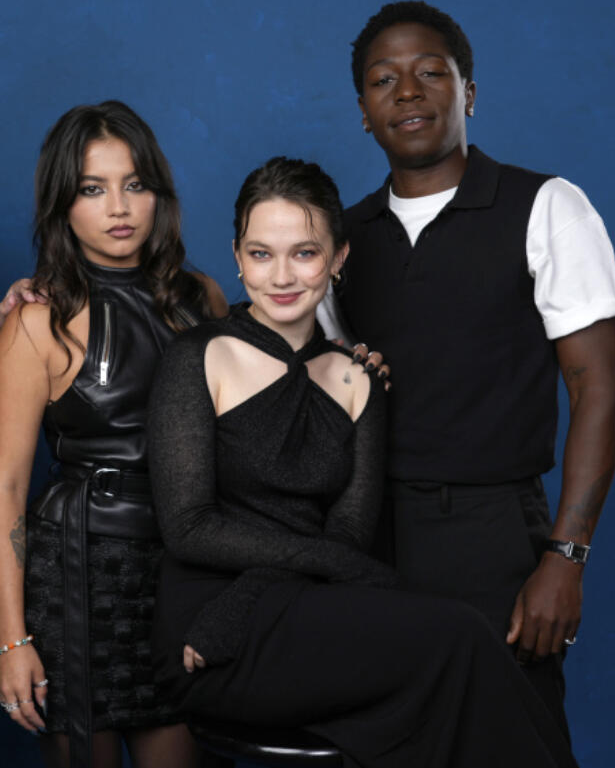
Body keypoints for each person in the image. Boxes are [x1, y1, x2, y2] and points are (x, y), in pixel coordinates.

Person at [149, 156, 579, 768]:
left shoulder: (356, 379)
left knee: (462, 663)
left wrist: (253, 597)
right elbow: (190, 528)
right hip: (204, 629)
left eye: (304, 252)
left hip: (287, 606)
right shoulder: (198, 356)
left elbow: (347, 536)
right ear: (238, 257)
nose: (281, 276)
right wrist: (240, 609)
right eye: (261, 253)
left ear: (339, 257)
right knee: (458, 637)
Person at [320, 0, 615, 739]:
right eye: (382, 79)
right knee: (383, 743)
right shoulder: (343, 239)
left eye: (432, 71)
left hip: (493, 534)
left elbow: (599, 388)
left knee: (509, 736)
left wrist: (565, 556)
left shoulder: (546, 206)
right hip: (366, 534)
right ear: (363, 110)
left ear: (468, 91)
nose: (407, 91)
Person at [0, 101, 228, 768]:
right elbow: (4, 488)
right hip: (76, 579)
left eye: (135, 184)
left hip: (182, 572)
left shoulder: (202, 299)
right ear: (65, 203)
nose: (118, 206)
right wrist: (11, 639)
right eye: (93, 188)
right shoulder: (35, 320)